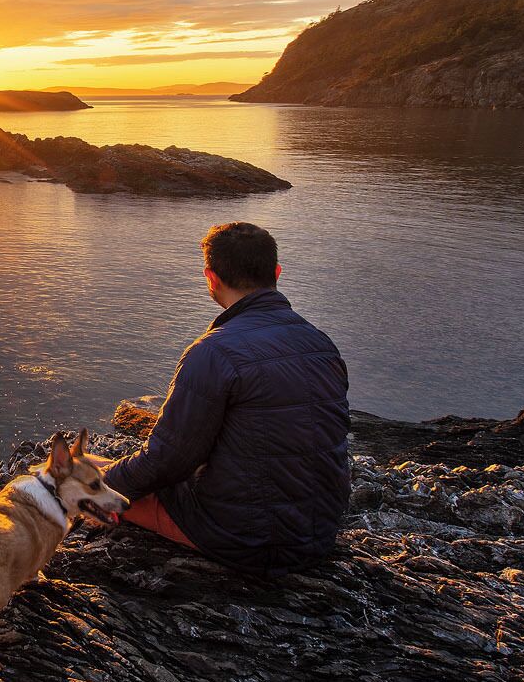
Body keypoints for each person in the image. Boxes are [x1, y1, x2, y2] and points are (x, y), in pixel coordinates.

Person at [100, 222, 350, 576]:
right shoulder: (322, 344)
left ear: (211, 278)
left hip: (246, 541)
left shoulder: (213, 352)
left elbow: (168, 461)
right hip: (320, 531)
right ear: (276, 272)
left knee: (75, 475)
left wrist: (102, 488)